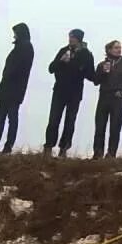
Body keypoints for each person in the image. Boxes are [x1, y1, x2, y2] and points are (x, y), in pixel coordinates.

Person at [44, 28, 95, 158]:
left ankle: (63, 149)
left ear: (78, 39)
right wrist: (61, 61)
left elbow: (91, 75)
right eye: (69, 37)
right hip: (59, 91)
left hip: (75, 93)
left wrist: (81, 67)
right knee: (54, 120)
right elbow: (51, 68)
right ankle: (48, 148)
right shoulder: (63, 51)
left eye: (72, 37)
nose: (70, 39)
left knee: (70, 121)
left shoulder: (86, 55)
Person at [0, 23, 34, 153]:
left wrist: (9, 74)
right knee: (0, 117)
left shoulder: (25, 47)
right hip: (8, 88)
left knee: (11, 117)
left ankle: (7, 146)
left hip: (14, 88)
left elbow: (19, 68)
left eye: (16, 32)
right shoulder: (21, 47)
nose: (14, 35)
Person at [91, 39, 122, 159]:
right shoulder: (102, 64)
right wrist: (103, 72)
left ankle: (111, 154)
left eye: (119, 47)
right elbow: (96, 81)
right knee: (100, 126)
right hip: (104, 97)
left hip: (117, 99)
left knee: (115, 127)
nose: (118, 50)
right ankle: (97, 153)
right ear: (109, 50)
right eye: (116, 48)